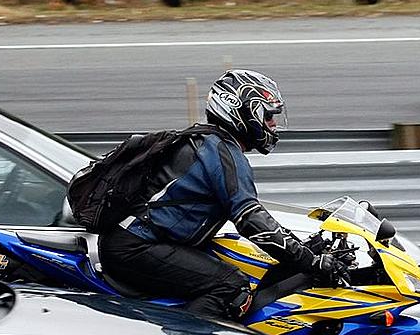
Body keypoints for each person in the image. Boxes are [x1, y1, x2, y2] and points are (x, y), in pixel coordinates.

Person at [98, 69, 350, 320]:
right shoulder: (222, 153)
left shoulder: (209, 141)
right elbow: (253, 221)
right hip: (136, 246)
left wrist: (307, 247)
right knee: (231, 287)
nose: (273, 125)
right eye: (268, 117)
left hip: (137, 241)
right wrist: (311, 261)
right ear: (243, 114)